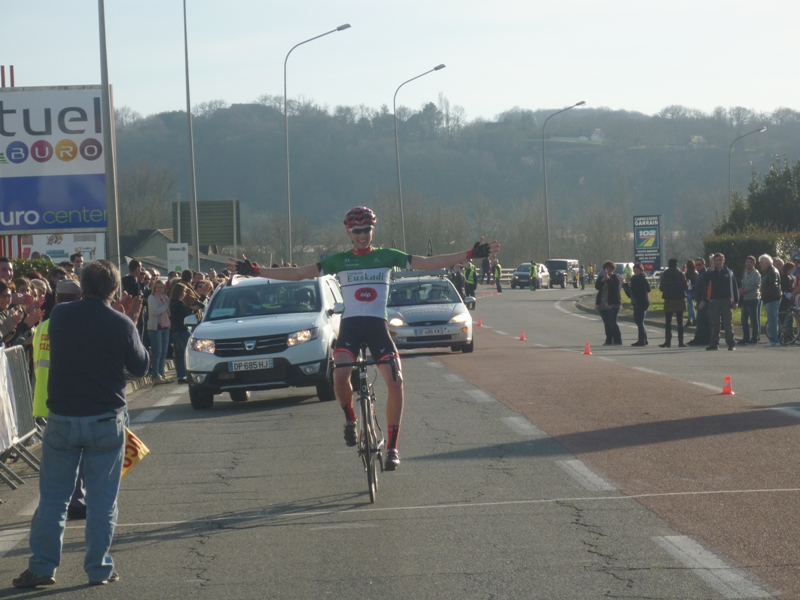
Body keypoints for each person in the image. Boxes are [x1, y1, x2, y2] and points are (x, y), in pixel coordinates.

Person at [230, 206, 499, 471]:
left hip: (377, 328)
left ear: (373, 230)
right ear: (348, 233)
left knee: (396, 382)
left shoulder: (386, 256)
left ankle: (392, 447)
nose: (362, 235)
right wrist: (256, 271)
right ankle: (350, 418)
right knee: (339, 375)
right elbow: (298, 273)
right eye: (357, 230)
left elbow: (428, 263)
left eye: (366, 229)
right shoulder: (340, 260)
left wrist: (468, 254)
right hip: (351, 327)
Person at [13, 260, 149, 589]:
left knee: (53, 499)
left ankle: (42, 566)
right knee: (102, 501)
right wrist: (131, 321)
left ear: (82, 286)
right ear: (115, 288)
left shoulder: (61, 315)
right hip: (105, 418)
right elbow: (141, 366)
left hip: (62, 417)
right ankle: (99, 568)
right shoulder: (120, 323)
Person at [32, 279, 86, 521]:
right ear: (79, 299)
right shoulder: (75, 326)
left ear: (56, 298)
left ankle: (57, 502)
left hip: (44, 396)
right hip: (67, 397)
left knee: (56, 457)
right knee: (77, 453)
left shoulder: (44, 326)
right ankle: (75, 500)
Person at [700, 253, 738, 351]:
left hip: (726, 300)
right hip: (714, 300)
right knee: (715, 323)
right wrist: (712, 271)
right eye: (716, 260)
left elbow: (734, 287)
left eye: (720, 260)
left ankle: (731, 344)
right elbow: (705, 282)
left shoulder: (728, 272)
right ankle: (714, 344)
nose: (718, 262)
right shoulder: (711, 273)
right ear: (714, 261)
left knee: (727, 323)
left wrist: (735, 301)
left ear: (723, 260)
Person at [658, 258, 688, 348]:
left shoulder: (665, 274)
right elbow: (685, 286)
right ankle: (681, 342)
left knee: (668, 322)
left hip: (669, 299)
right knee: (680, 322)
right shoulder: (681, 273)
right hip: (680, 299)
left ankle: (668, 341)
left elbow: (661, 287)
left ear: (668, 265)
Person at [147, 279, 172, 384]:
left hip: (165, 327)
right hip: (155, 328)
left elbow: (169, 313)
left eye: (161, 287)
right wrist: (165, 306)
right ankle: (155, 376)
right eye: (157, 287)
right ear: (154, 288)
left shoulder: (165, 298)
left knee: (164, 352)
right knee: (157, 352)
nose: (159, 289)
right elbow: (154, 311)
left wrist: (167, 305)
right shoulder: (152, 298)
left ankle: (162, 374)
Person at [169, 285, 195, 384]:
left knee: (179, 354)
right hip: (182, 330)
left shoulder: (172, 302)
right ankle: (183, 374)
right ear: (179, 292)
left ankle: (180, 375)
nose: (184, 294)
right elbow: (186, 314)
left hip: (175, 330)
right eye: (183, 292)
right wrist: (192, 308)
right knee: (185, 353)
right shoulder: (179, 303)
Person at [595, 261, 623, 345]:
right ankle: (609, 340)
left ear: (613, 269)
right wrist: (603, 280)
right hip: (602, 304)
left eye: (610, 268)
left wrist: (608, 279)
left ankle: (617, 340)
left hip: (613, 304)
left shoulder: (616, 277)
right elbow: (597, 287)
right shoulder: (601, 277)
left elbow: (615, 287)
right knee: (606, 323)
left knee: (612, 323)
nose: (608, 270)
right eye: (606, 268)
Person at [622, 262, 650, 346]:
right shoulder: (634, 278)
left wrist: (627, 286)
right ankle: (644, 339)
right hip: (638, 301)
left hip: (642, 302)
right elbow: (631, 292)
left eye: (637, 269)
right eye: (634, 269)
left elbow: (648, 289)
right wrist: (626, 285)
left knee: (639, 321)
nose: (635, 270)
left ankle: (641, 341)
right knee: (639, 321)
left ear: (641, 270)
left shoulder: (642, 278)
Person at [687, 258, 711, 346]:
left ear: (704, 265)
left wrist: (704, 300)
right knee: (702, 320)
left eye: (699, 264)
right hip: (699, 299)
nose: (698, 266)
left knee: (702, 320)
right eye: (696, 265)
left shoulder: (705, 274)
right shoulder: (699, 274)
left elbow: (706, 288)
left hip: (704, 300)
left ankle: (701, 339)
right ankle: (701, 339)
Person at [759, 254, 781, 347]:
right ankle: (774, 339)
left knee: (772, 320)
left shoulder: (772, 272)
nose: (760, 265)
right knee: (772, 319)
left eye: (761, 263)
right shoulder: (769, 271)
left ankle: (774, 340)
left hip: (772, 299)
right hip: (770, 299)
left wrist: (766, 295)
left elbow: (773, 286)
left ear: (766, 263)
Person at [739, 255, 761, 344]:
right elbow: (743, 285)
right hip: (745, 299)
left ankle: (755, 338)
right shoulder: (745, 273)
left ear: (754, 264)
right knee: (744, 320)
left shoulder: (756, 274)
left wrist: (743, 291)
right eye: (747, 262)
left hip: (753, 299)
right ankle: (746, 338)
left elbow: (755, 286)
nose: (748, 264)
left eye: (750, 262)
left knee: (753, 320)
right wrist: (739, 291)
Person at [684, 259, 697, 326]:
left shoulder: (687, 274)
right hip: (695, 290)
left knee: (690, 305)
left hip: (689, 290)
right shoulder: (696, 273)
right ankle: (689, 320)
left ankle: (694, 319)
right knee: (690, 306)